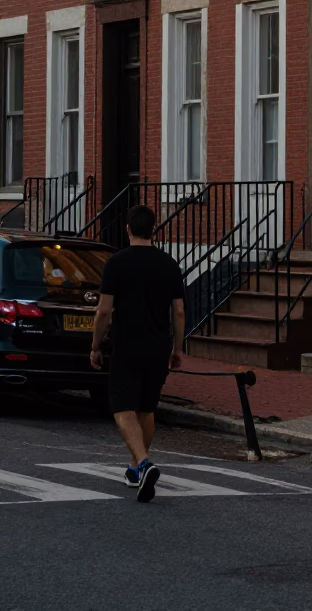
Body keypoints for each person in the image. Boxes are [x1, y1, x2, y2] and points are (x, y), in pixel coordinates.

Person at [90, 204, 186, 502]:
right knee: (146, 408)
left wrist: (95, 346)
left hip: (127, 344)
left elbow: (104, 310)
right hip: (158, 347)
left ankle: (143, 462)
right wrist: (178, 347)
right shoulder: (169, 264)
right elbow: (179, 311)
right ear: (154, 230)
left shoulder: (116, 264)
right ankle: (136, 468)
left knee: (122, 408)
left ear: (128, 229)